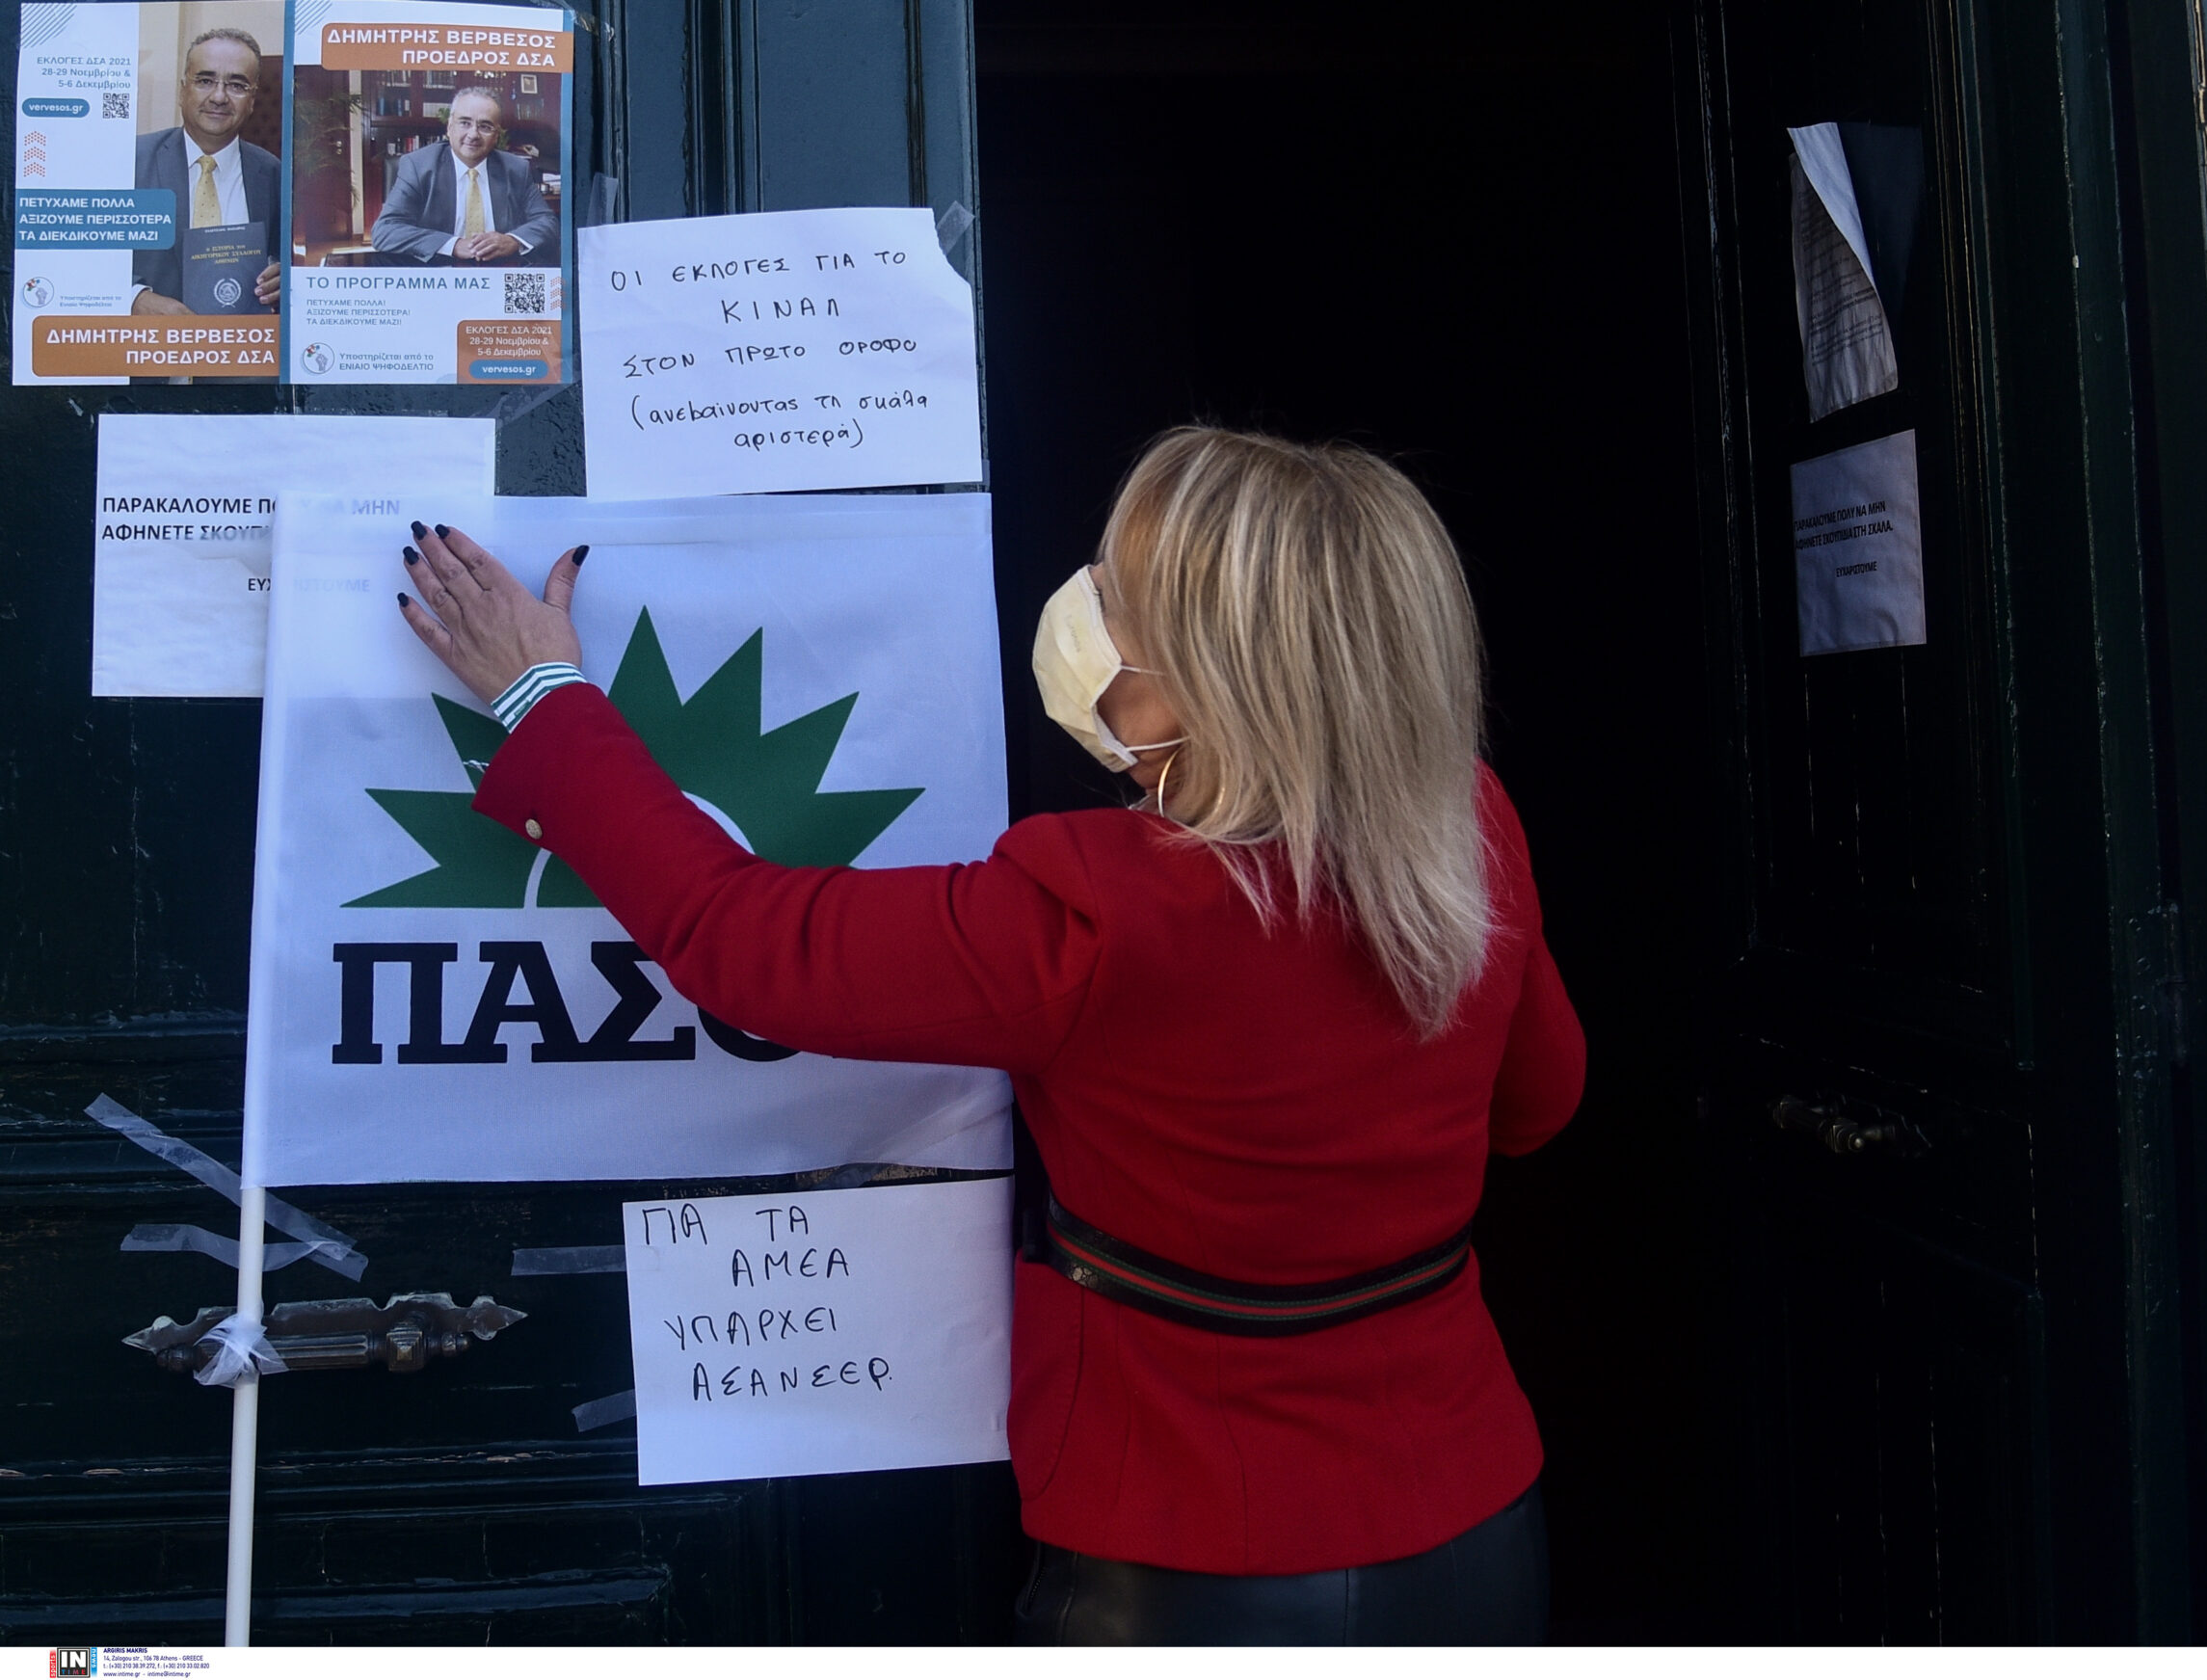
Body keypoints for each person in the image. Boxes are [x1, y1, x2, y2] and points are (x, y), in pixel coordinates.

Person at [390, 428, 1586, 1644]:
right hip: (1470, 1518)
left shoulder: (1103, 907)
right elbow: (1540, 1103)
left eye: (1117, 602)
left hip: (1185, 1557)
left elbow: (743, 942)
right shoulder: (1472, 822)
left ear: (1215, 678)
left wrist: (543, 701)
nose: (1084, 614)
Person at [131, 28, 279, 315]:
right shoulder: (131, 163)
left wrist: (283, 278)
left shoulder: (273, 174)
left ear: (252, 100)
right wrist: (134, 298)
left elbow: (286, 261)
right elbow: (87, 256)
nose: (219, 96)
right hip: (146, 340)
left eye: (237, 85)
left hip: (242, 340)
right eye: (205, 81)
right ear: (182, 90)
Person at [370, 86, 556, 265]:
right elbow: (385, 231)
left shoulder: (516, 169)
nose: (473, 134)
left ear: (496, 136)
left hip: (499, 272)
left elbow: (547, 222)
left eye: (485, 126)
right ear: (449, 127)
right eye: (465, 123)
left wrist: (512, 240)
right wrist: (453, 245)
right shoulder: (419, 166)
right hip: (438, 273)